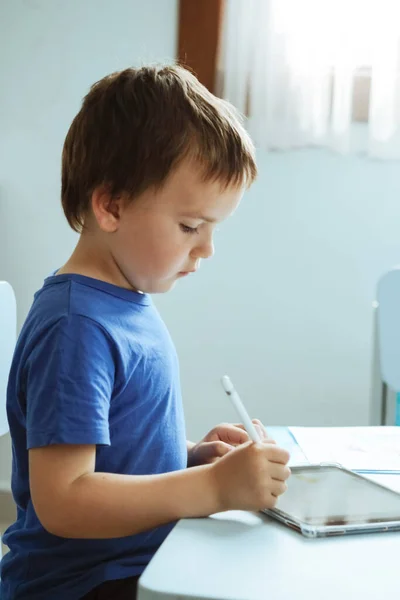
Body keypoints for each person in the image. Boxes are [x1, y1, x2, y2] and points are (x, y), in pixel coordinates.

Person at [0, 64, 291, 600]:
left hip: (137, 561)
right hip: (84, 585)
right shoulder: (76, 327)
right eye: (190, 226)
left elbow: (112, 453)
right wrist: (209, 489)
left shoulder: (123, 302)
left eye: (212, 229)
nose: (206, 249)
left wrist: (187, 457)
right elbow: (65, 500)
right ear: (111, 205)